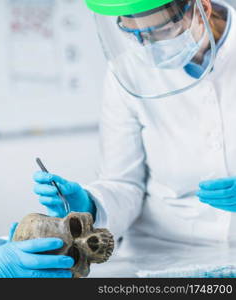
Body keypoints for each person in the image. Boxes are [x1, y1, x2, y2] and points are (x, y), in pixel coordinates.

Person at [34, 0, 236, 260]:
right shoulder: (129, 71)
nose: (149, 48)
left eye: (161, 32)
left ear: (202, 9)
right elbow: (123, 182)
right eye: (134, 34)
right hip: (163, 252)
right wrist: (89, 206)